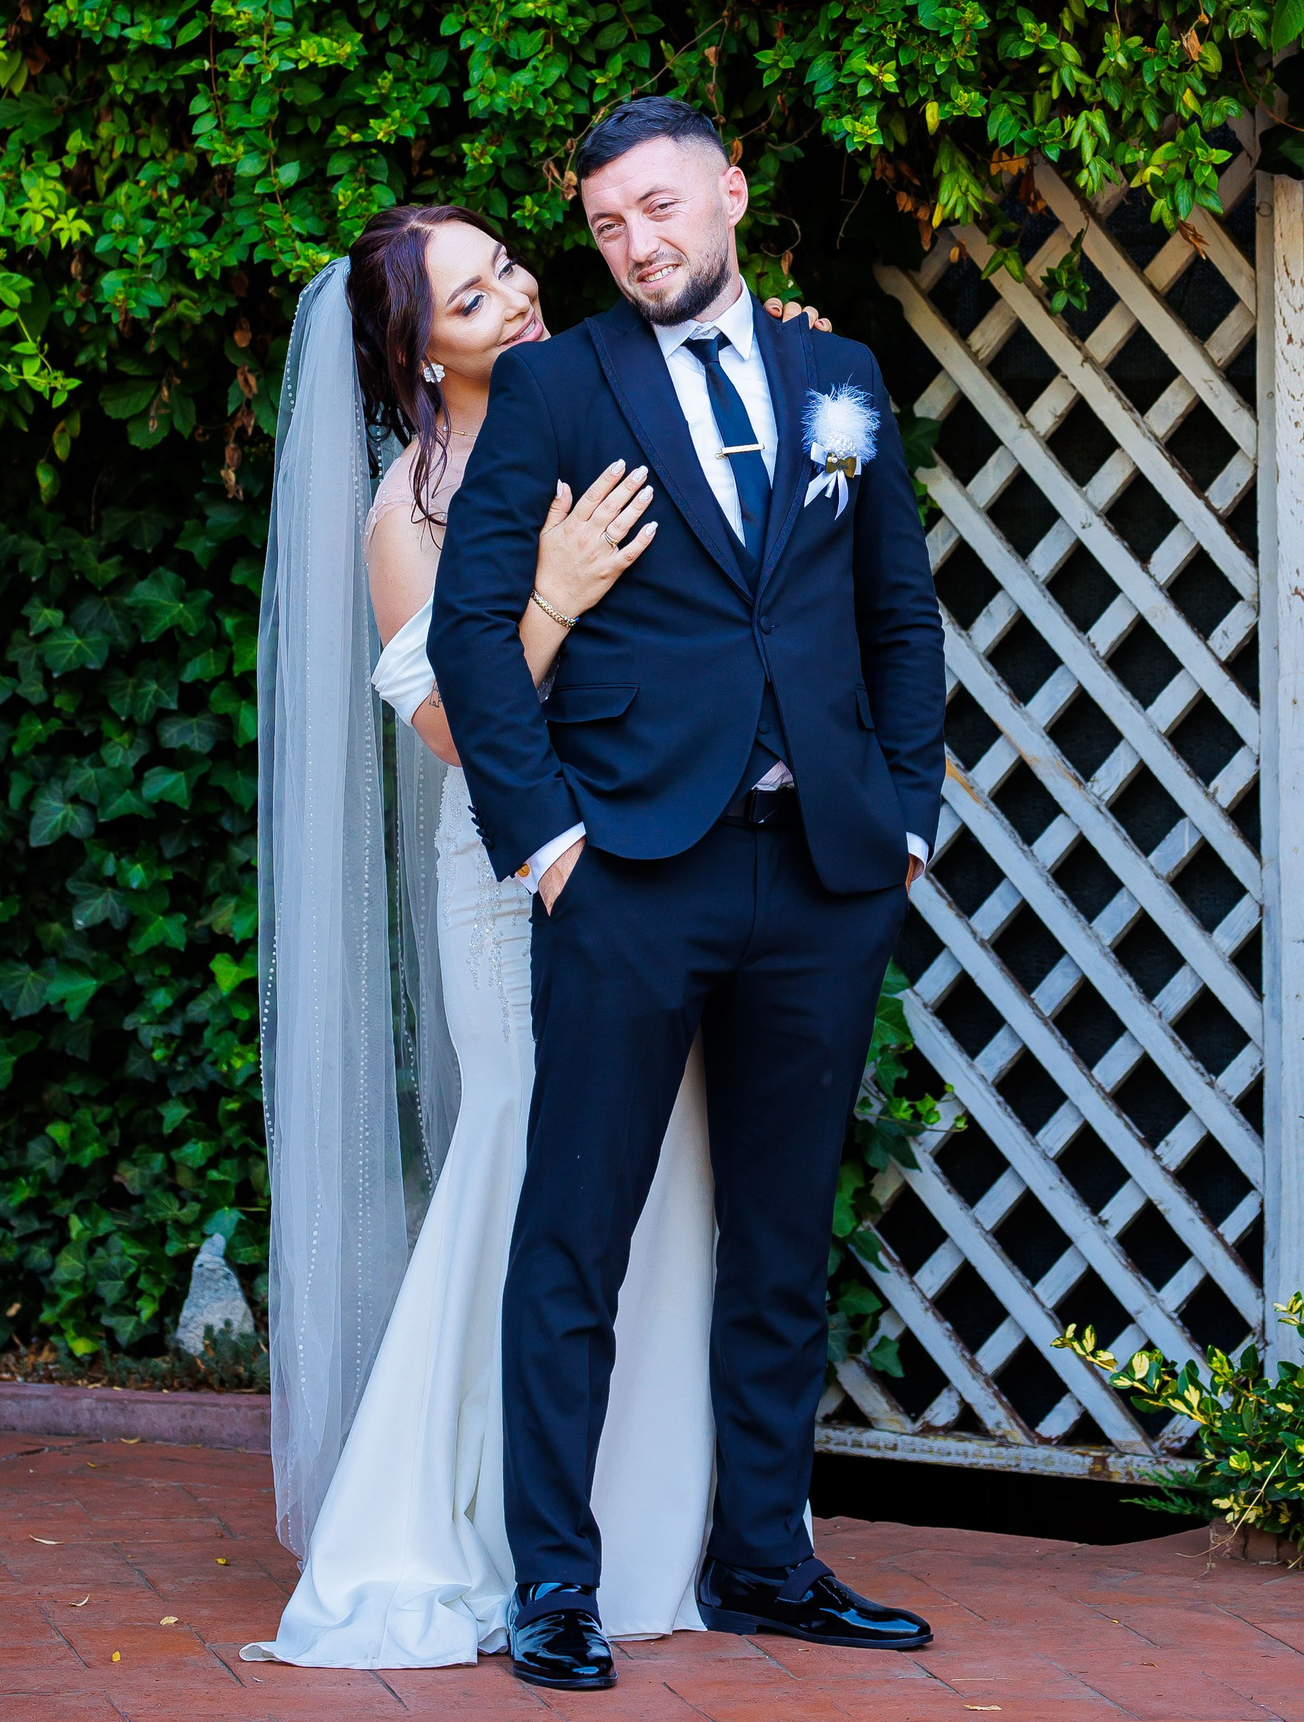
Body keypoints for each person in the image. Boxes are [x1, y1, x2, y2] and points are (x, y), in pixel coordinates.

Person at [245, 201, 833, 1668]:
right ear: (415, 356)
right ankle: (477, 1532)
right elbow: (455, 729)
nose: (512, 299)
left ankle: (645, 1543)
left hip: (673, 857)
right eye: (467, 299)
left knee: (677, 1181)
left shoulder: (607, 396)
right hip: (518, 876)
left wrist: (784, 351)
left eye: (506, 266)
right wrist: (553, 596)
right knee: (532, 1172)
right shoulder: (406, 516)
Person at [432, 96, 948, 1694]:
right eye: (606, 225)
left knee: (782, 1239)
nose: (636, 243)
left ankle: (767, 1562)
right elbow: (470, 634)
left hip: (826, 873)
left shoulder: (839, 377)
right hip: (632, 876)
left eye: (659, 207)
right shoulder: (554, 387)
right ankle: (556, 1584)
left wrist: (908, 819)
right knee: (574, 1238)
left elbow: (896, 610)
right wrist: (547, 844)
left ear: (729, 192)